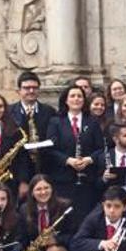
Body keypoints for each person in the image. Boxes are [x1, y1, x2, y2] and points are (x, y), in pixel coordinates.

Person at [46, 86, 104, 224]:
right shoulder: (56, 122)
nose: (76, 99)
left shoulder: (93, 121)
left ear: (84, 100)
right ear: (66, 100)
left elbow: (101, 148)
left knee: (85, 217)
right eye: (72, 96)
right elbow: (50, 149)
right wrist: (68, 160)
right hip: (63, 179)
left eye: (79, 96)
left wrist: (89, 159)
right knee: (66, 218)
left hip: (87, 179)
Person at [9, 71, 57, 176]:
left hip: (45, 168)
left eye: (34, 88)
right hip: (17, 170)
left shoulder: (50, 112)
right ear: (18, 91)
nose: (31, 91)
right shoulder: (9, 112)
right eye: (26, 88)